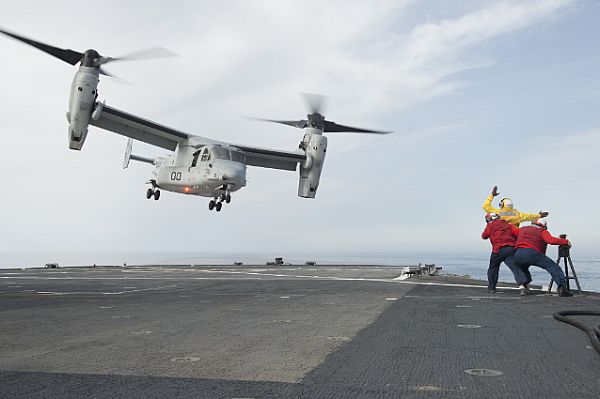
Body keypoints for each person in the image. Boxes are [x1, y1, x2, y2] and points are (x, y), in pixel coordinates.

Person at [514, 219, 573, 297]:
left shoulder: (522, 229)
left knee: (523, 268)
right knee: (553, 267)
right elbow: (551, 240)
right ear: (543, 225)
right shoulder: (542, 231)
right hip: (532, 253)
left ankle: (524, 286)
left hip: (518, 253)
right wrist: (565, 241)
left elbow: (512, 233)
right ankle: (562, 288)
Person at [481, 212, 529, 294]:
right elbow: (518, 233)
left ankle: (492, 288)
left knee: (493, 268)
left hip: (498, 250)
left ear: (489, 219)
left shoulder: (490, 226)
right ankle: (522, 286)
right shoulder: (508, 225)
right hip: (510, 249)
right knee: (515, 267)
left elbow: (484, 236)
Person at [483, 186, 548, 227]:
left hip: (500, 237)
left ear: (502, 205)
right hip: (513, 239)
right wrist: (539, 216)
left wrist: (492, 195)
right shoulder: (517, 215)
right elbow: (529, 216)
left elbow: (485, 206)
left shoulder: (497, 213)